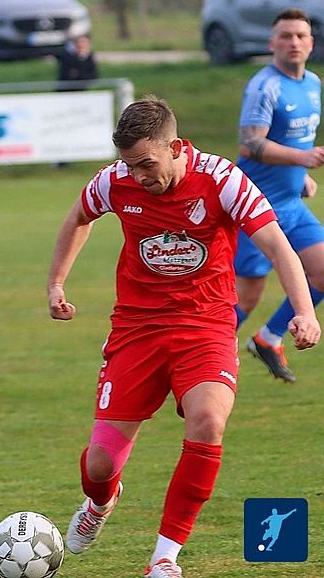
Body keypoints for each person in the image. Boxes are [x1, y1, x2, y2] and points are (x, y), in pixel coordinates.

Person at [47, 96, 319, 578]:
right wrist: (56, 284)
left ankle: (164, 558)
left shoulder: (220, 180)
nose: (138, 176)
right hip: (136, 330)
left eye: (146, 164)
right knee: (99, 467)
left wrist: (303, 311)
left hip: (206, 326)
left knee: (208, 420)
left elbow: (277, 245)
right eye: (130, 166)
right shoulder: (116, 180)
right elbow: (77, 218)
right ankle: (99, 505)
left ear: (175, 147)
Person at [234, 8, 324, 383]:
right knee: (245, 298)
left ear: (311, 42)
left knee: (322, 274)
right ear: (272, 43)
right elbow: (250, 143)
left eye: (300, 36)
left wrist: (297, 174)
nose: (294, 42)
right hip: (257, 209)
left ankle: (269, 339)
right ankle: (198, 351)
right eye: (286, 36)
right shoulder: (264, 86)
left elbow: (288, 139)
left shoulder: (312, 83)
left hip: (291, 204)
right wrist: (302, 158)